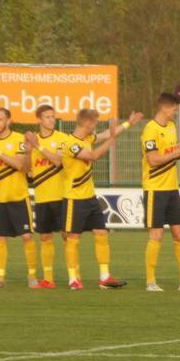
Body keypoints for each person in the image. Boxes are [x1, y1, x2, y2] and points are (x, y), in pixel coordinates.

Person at [60, 108, 139, 289]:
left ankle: (105, 277)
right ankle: (73, 279)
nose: (95, 127)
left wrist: (128, 123)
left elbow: (106, 134)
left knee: (101, 233)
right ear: (87, 123)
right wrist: (112, 140)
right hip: (74, 199)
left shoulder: (87, 138)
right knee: (73, 237)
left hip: (90, 198)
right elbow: (93, 156)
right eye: (94, 123)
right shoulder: (70, 144)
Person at [139, 93, 180, 292]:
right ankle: (151, 282)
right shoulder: (150, 129)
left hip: (172, 188)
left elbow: (169, 155)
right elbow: (153, 160)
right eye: (174, 109)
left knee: (179, 234)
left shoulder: (172, 127)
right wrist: (176, 153)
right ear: (165, 108)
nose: (176, 113)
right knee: (156, 235)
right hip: (155, 189)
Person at [0, 108, 38, 289]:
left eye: (0, 119)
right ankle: (0, 278)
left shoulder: (19, 139)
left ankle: (32, 276)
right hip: (0, 198)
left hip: (19, 196)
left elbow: (21, 165)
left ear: (8, 121)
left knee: (27, 237)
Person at [23, 105, 70, 289]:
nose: (52, 120)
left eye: (53, 116)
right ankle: (48, 279)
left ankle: (74, 276)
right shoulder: (32, 142)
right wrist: (29, 151)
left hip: (61, 195)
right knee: (45, 237)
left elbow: (59, 161)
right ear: (39, 120)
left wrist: (38, 146)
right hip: (42, 197)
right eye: (47, 117)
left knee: (67, 236)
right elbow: (28, 172)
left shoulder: (62, 138)